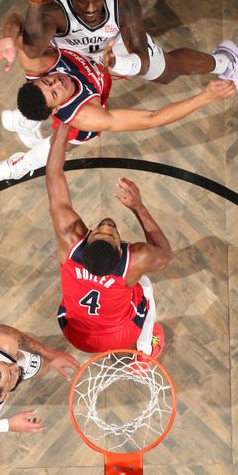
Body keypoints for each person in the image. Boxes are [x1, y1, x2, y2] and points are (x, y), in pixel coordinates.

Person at [0, 0, 238, 150]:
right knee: (73, 135)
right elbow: (150, 119)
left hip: (116, 44)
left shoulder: (123, 0)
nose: (92, 9)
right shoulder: (52, 16)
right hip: (81, 57)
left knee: (164, 72)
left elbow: (140, 50)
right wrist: (206, 97)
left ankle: (227, 60)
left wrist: (121, 62)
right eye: (83, 1)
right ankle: (27, 138)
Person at [0, 14, 236, 180]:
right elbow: (151, 118)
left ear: (38, 77)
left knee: (137, 45)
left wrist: (10, 37)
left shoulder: (35, 62)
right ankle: (22, 164)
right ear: (56, 108)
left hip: (91, 59)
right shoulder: (87, 116)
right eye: (56, 91)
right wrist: (205, 97)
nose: (57, 82)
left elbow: (15, 18)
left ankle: (25, 119)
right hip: (88, 94)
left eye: (48, 82)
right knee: (64, 144)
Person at [46, 119, 172, 355]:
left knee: (130, 287)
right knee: (144, 286)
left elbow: (53, 176)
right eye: (111, 233)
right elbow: (165, 256)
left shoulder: (70, 241)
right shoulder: (136, 260)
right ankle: (145, 351)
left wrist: (65, 119)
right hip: (119, 336)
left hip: (74, 332)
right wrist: (138, 207)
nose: (106, 225)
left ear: (87, 238)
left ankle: (142, 346)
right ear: (123, 250)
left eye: (99, 231)